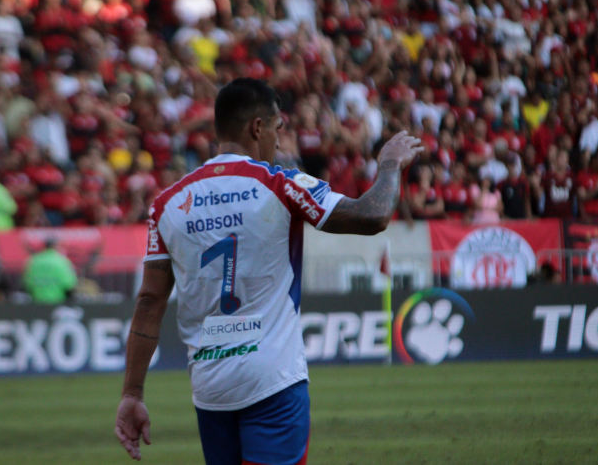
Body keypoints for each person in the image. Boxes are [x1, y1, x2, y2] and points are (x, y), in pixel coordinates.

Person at [115, 79, 422, 463]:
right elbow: (373, 214)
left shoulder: (167, 203)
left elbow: (149, 302)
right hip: (272, 379)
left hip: (211, 387)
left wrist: (132, 394)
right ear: (257, 128)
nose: (279, 142)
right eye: (277, 129)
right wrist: (390, 163)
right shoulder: (280, 183)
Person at [22, 239, 78, 304]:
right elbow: (69, 284)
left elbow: (27, 283)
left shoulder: (34, 260)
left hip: (37, 302)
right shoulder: (62, 261)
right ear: (56, 246)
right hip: (57, 302)